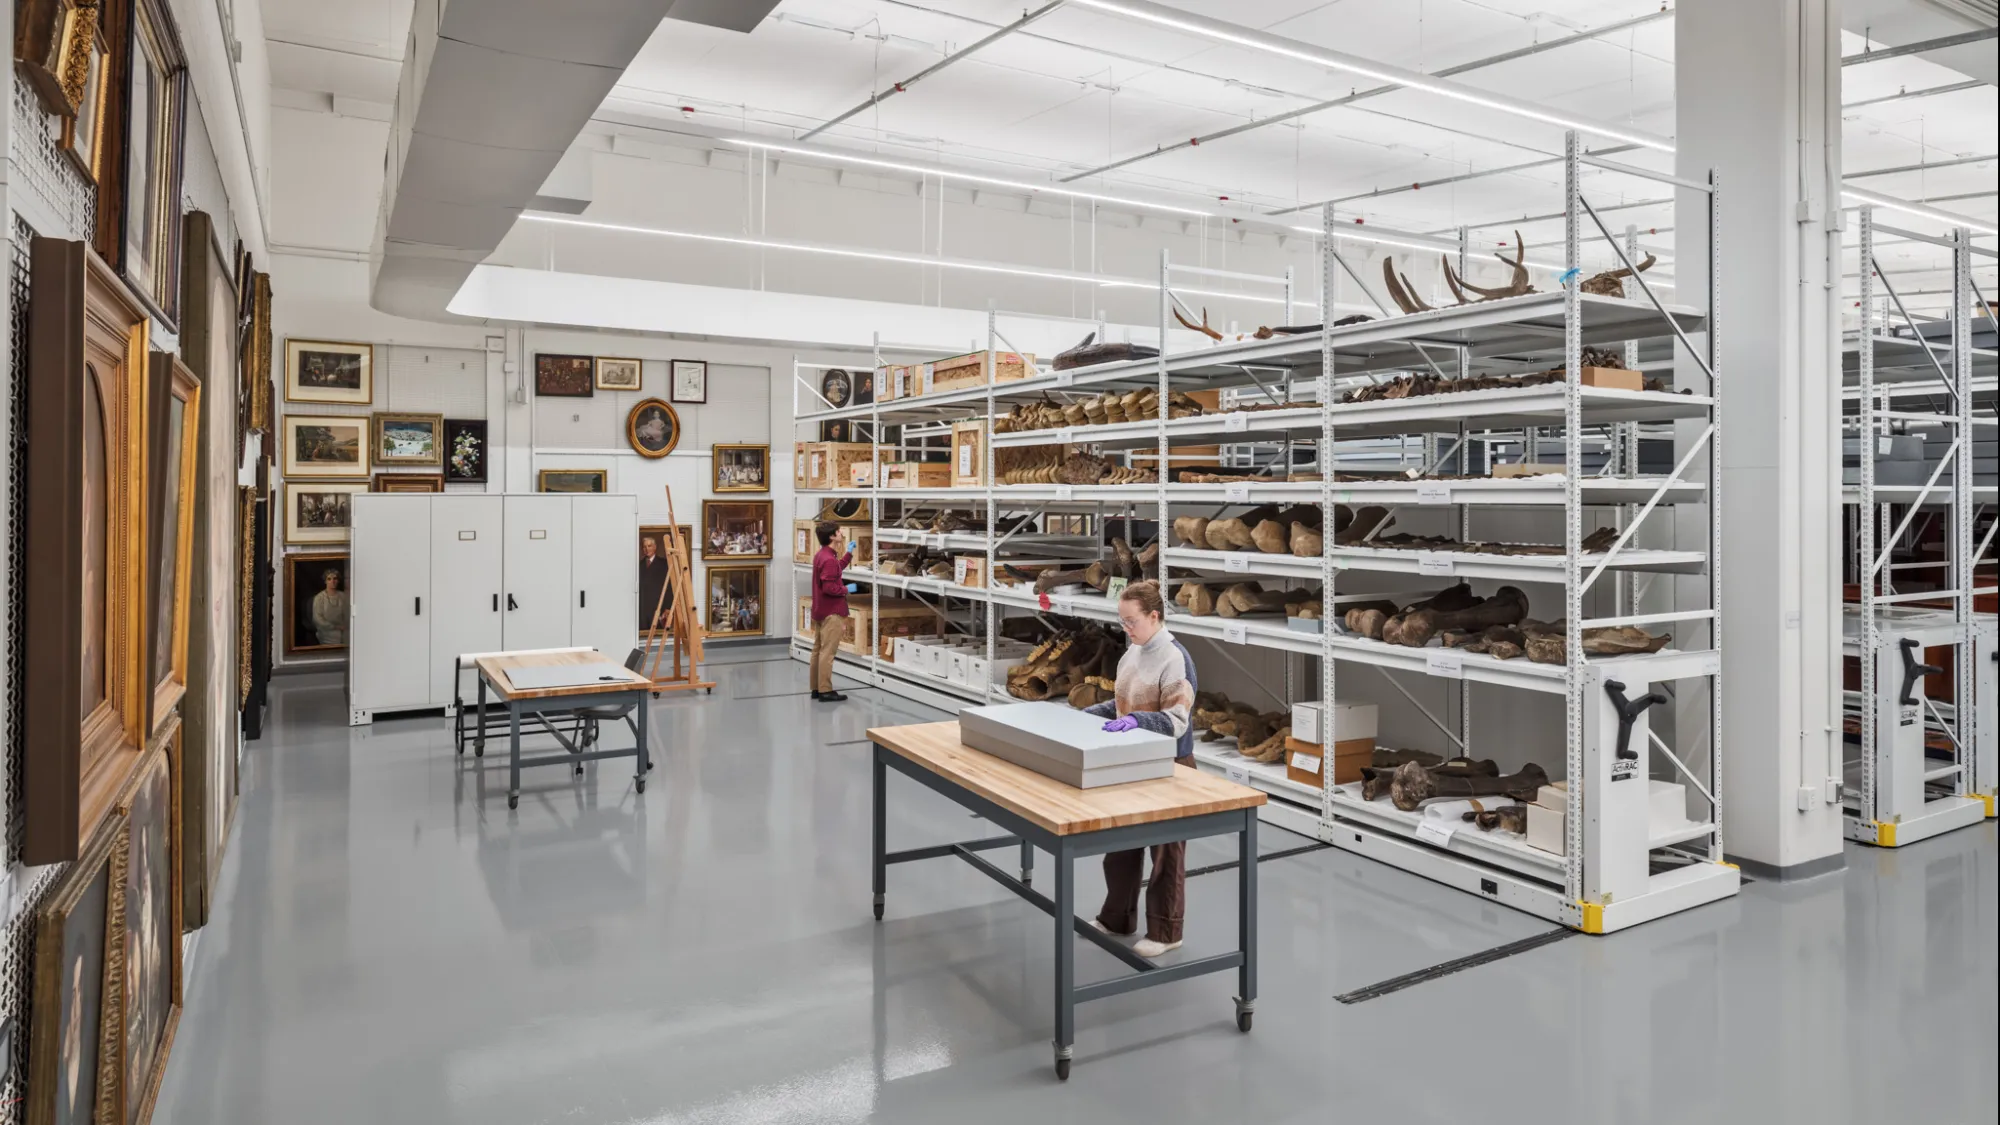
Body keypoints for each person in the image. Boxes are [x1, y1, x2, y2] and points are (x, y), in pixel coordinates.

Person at [1084, 580, 1198, 957]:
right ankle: (1117, 917)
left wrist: (1139, 722)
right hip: (1131, 761)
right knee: (1120, 845)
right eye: (1121, 622)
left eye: (1132, 621)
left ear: (1154, 616)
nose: (1126, 629)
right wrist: (1088, 715)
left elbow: (1177, 720)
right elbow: (1122, 705)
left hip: (1171, 765)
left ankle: (1167, 932)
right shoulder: (1131, 653)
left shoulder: (1175, 658)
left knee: (1166, 852)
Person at [809, 521, 857, 702]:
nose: (841, 532)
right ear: (831, 536)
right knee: (828, 652)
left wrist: (848, 554)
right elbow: (829, 587)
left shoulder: (823, 555)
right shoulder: (829, 559)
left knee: (818, 650)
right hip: (832, 612)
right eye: (838, 531)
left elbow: (835, 571)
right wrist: (847, 590)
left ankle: (815, 687)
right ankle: (825, 691)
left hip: (821, 609)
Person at [638, 534, 671, 631]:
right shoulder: (639, 565)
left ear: (655, 547)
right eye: (644, 547)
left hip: (658, 608)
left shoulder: (664, 564)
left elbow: (669, 587)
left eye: (649, 546)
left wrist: (667, 608)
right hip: (642, 609)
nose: (647, 549)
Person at [311, 568, 348, 646]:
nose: (333, 581)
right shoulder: (319, 598)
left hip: (344, 631)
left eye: (335, 578)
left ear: (338, 580)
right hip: (326, 632)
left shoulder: (343, 596)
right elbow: (317, 618)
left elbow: (348, 613)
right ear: (325, 581)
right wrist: (334, 627)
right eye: (329, 579)